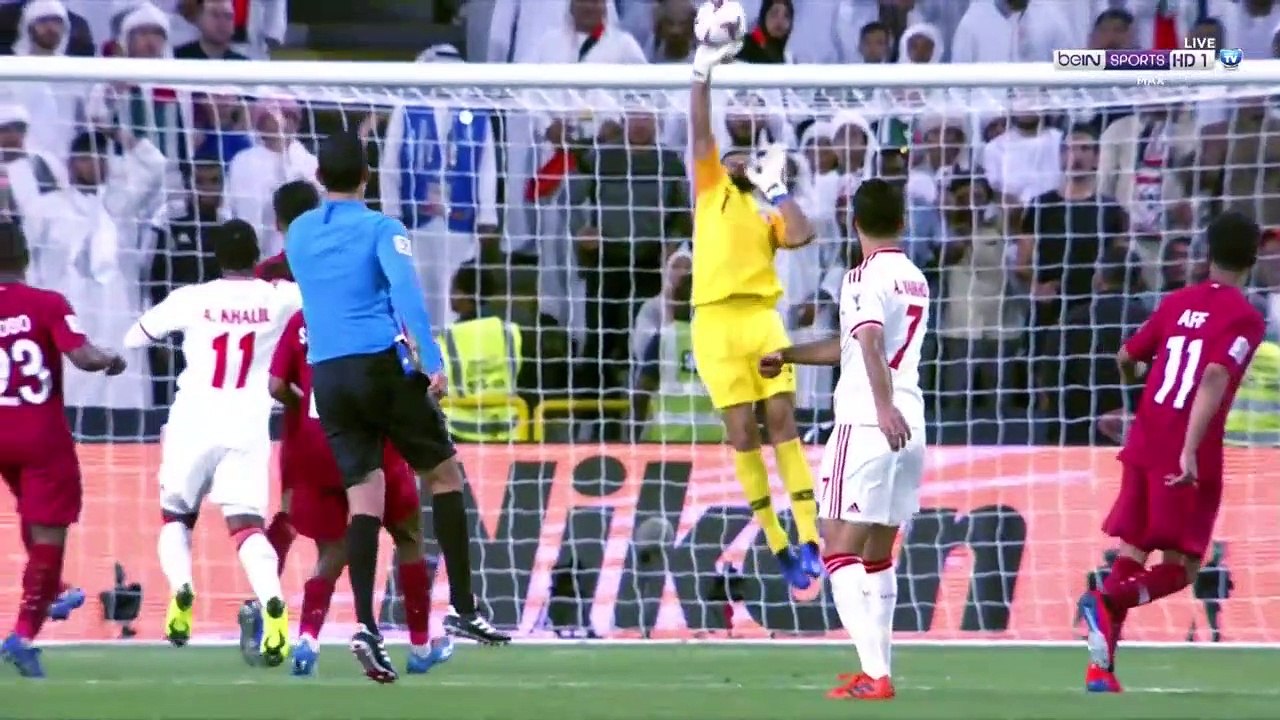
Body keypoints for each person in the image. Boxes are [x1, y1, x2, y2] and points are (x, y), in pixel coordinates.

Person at [285, 132, 504, 684]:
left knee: (365, 499)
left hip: (327, 378)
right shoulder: (384, 228)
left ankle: (364, 626)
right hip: (378, 364)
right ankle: (465, 608)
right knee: (445, 476)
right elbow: (405, 293)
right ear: (366, 177)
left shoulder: (299, 233)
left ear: (318, 180)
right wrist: (432, 362)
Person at [1078, 211, 1266, 694]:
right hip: (1187, 450)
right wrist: (1188, 451)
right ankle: (1106, 600)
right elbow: (1214, 377)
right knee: (1183, 567)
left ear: (1207, 252)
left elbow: (1125, 357)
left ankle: (1101, 669)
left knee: (1133, 547)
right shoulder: (1246, 317)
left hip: (1144, 438)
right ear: (1254, 257)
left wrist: (1138, 382)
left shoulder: (1177, 301)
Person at [759, 178, 928, 701]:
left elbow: (870, 341)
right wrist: (787, 355)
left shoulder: (861, 276)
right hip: (911, 423)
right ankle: (877, 670)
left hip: (867, 421)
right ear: (902, 222)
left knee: (837, 550)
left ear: (853, 222)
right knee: (877, 555)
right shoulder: (915, 278)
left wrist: (880, 408)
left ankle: (875, 674)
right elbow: (852, 347)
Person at [121, 219, 300, 666]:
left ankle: (182, 589)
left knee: (176, 516)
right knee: (246, 526)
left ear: (215, 256)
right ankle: (273, 600)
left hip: (194, 419)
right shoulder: (278, 298)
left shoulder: (192, 298)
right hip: (248, 422)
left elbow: (135, 336)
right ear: (256, 255)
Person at [686, 21, 822, 589]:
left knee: (782, 419)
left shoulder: (770, 206)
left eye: (752, 157)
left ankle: (811, 537)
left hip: (761, 318)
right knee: (742, 432)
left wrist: (780, 190)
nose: (742, 159)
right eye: (736, 154)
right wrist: (702, 70)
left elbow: (803, 234)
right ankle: (777, 543)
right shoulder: (710, 186)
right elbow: (699, 129)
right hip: (714, 322)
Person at [268, 309, 454, 676]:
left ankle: (307, 640)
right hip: (372, 449)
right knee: (408, 535)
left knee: (334, 547)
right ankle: (419, 646)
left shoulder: (302, 320)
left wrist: (304, 404)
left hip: (319, 446)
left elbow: (275, 386)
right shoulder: (381, 319)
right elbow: (412, 376)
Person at [0, 224, 125, 678]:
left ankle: (51, 589)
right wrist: (113, 358)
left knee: (32, 518)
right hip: (39, 436)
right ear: (25, 257)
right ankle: (22, 633)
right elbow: (83, 356)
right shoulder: (46, 303)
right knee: (50, 533)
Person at [231, 178, 321, 666]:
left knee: (291, 509)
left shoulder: (266, 274)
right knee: (373, 505)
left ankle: (263, 604)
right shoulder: (343, 264)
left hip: (292, 404)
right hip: (347, 400)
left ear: (277, 222)